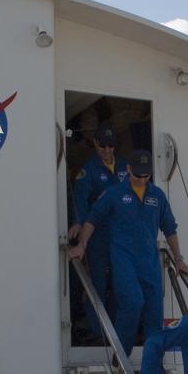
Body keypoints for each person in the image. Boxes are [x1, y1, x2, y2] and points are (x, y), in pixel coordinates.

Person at [69, 148, 188, 358]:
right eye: (137, 175)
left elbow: (170, 228)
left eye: (146, 175)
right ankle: (121, 354)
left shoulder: (157, 196)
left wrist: (178, 259)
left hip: (149, 262)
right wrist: (82, 245)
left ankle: (155, 371)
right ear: (128, 169)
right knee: (133, 302)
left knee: (154, 314)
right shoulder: (114, 193)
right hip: (124, 259)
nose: (141, 179)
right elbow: (92, 219)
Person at [68, 126, 128, 339]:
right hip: (97, 234)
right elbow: (80, 199)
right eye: (102, 145)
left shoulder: (124, 167)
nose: (107, 150)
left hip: (121, 235)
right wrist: (78, 222)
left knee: (119, 283)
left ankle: (115, 330)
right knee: (98, 284)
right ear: (95, 144)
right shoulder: (89, 170)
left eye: (111, 146)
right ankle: (97, 332)